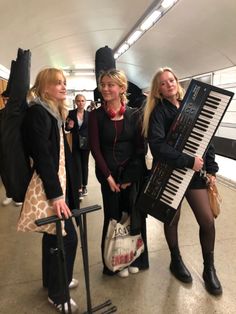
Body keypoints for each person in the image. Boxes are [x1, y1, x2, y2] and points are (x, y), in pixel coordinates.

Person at [142, 67, 222, 295]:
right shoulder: (158, 112)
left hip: (195, 175)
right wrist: (188, 161)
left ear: (177, 82)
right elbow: (157, 147)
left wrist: (212, 168)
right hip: (169, 173)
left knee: (207, 221)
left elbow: (207, 138)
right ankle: (175, 259)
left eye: (171, 80)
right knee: (172, 218)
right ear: (158, 89)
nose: (169, 84)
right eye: (163, 83)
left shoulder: (192, 105)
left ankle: (209, 268)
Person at [22, 68, 79, 312]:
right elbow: (43, 157)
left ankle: (52, 281)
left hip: (58, 182)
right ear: (44, 87)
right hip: (50, 186)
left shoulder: (51, 112)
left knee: (52, 235)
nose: (63, 87)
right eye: (57, 83)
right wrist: (56, 196)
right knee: (68, 238)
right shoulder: (38, 113)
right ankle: (58, 293)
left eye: (64, 83)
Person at [88, 69, 149, 278]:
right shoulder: (95, 116)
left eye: (110, 84)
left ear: (121, 88)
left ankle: (134, 257)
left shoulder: (135, 114)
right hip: (108, 176)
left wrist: (129, 178)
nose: (105, 88)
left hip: (131, 174)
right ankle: (114, 261)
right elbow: (95, 149)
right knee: (112, 216)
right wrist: (109, 177)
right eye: (102, 84)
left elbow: (140, 148)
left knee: (133, 215)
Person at [65, 94, 90, 200]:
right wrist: (69, 127)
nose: (80, 103)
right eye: (78, 101)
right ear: (75, 102)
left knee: (85, 165)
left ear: (85, 102)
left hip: (86, 143)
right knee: (77, 165)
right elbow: (67, 128)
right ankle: (79, 188)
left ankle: (84, 185)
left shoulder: (90, 114)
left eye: (82, 101)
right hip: (75, 143)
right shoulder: (70, 113)